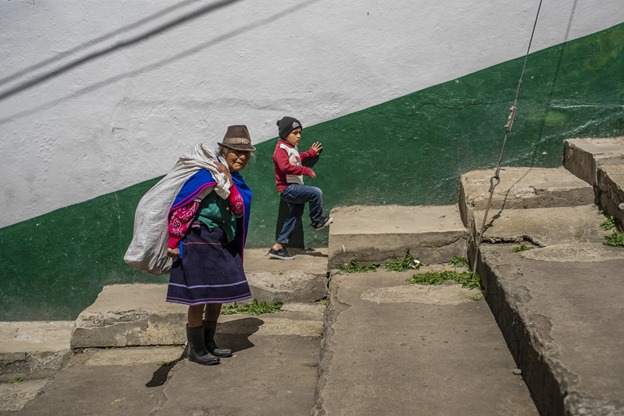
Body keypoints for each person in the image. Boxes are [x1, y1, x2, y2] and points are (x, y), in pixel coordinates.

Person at [165, 125, 255, 365]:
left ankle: (209, 342)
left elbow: (238, 208)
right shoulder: (207, 174)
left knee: (217, 297)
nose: (241, 157)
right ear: (224, 151)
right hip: (198, 241)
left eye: (245, 154)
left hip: (222, 242)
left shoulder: (233, 179)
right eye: (236, 152)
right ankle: (196, 349)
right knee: (199, 298)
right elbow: (185, 206)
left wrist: (229, 181)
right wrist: (174, 241)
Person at [268, 116, 332, 260]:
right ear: (285, 134)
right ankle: (317, 221)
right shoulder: (281, 148)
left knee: (294, 217)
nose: (299, 136)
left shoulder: (292, 148)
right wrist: (306, 170)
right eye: (295, 133)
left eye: (300, 133)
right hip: (288, 188)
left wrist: (311, 153)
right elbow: (285, 167)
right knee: (316, 192)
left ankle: (278, 247)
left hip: (295, 188)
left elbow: (298, 158)